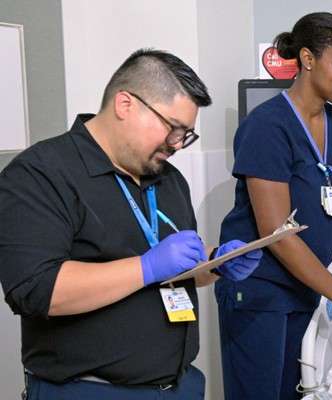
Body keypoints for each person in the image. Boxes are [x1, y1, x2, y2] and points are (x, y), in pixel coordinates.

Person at [0, 48, 263, 400]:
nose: (176, 144)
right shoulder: (41, 174)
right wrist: (146, 266)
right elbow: (38, 290)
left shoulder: (167, 179)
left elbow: (178, 270)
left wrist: (216, 263)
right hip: (90, 391)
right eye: (173, 128)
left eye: (186, 135)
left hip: (179, 384)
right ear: (125, 104)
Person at [216, 12, 332, 400]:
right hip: (259, 290)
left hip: (303, 285)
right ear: (307, 59)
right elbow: (277, 234)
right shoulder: (267, 126)